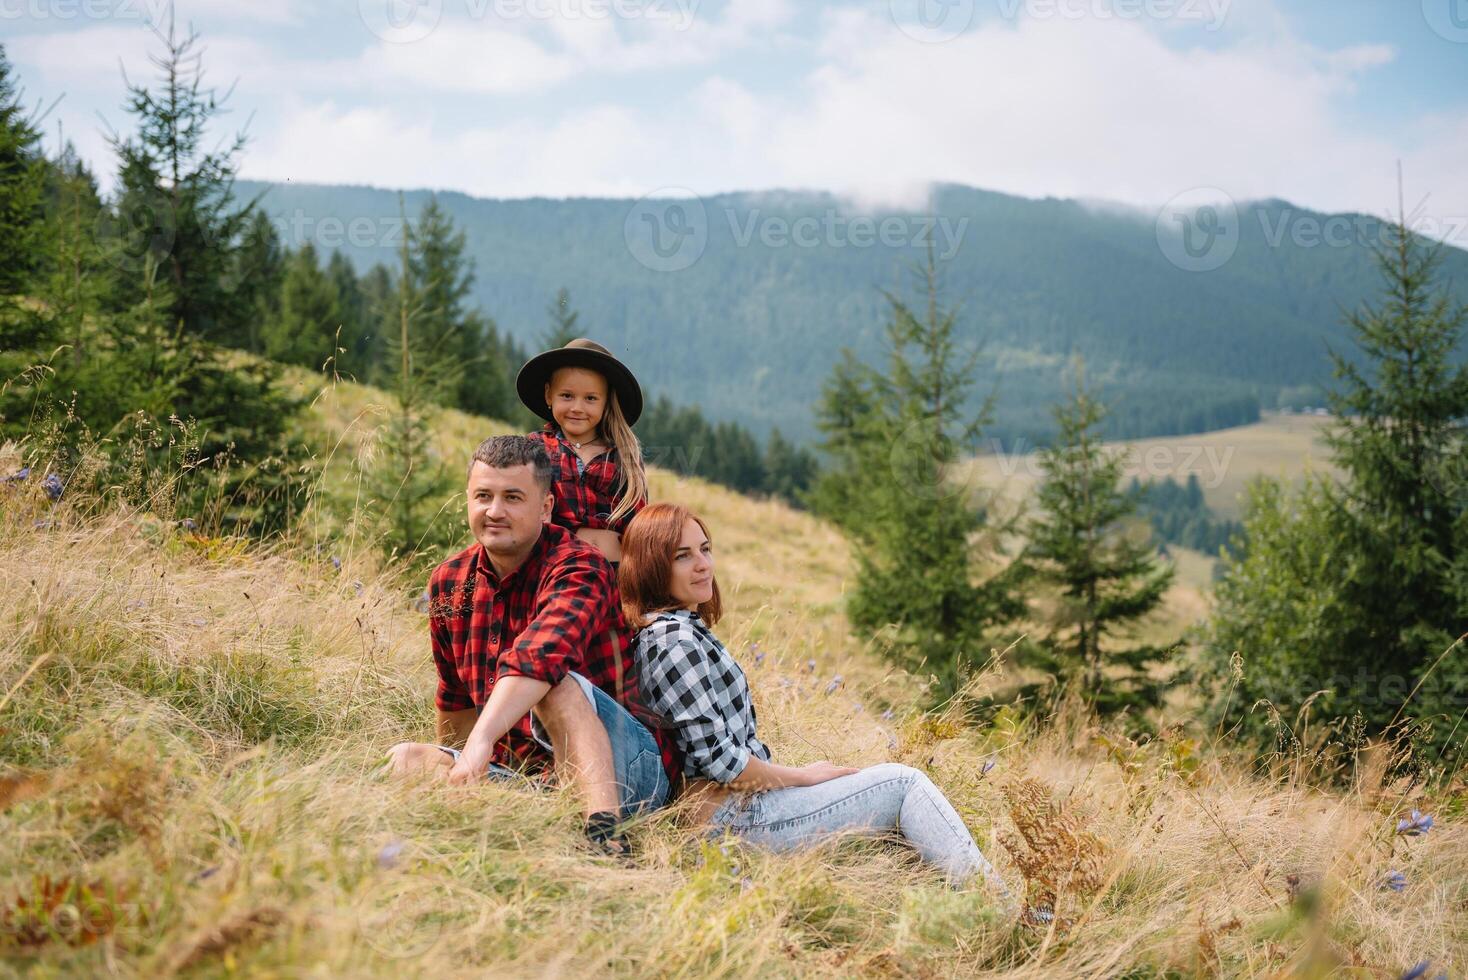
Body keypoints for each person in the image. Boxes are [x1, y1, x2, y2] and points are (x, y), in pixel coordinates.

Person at [622, 501, 1015, 903]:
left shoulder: (680, 631)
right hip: (739, 820)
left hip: (743, 809)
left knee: (889, 813)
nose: (703, 564)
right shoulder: (673, 642)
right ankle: (1002, 910)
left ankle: (968, 912)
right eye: (682, 556)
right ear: (654, 567)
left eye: (705, 549)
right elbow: (721, 764)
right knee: (903, 783)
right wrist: (804, 775)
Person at [386, 436, 673, 856]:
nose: (494, 511)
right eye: (483, 496)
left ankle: (606, 838)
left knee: (556, 685)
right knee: (404, 759)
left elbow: (540, 658)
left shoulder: (580, 566)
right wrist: (460, 765)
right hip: (528, 777)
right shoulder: (449, 582)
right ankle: (522, 823)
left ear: (545, 507)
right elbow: (455, 700)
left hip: (624, 768)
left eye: (513, 497)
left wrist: (480, 742)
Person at [517, 338, 648, 566]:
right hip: (559, 567)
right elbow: (523, 510)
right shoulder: (534, 449)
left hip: (616, 571)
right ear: (549, 395)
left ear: (606, 402)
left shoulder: (624, 454)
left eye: (590, 398)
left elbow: (639, 521)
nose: (577, 408)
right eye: (567, 396)